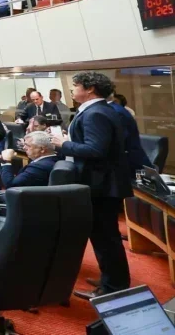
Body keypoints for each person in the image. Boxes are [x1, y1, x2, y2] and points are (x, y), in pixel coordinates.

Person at [51, 72, 131, 299]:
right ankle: (111, 280)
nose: (72, 90)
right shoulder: (98, 110)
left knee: (106, 238)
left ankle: (114, 288)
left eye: (75, 86)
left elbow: (95, 150)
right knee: (103, 237)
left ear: (90, 88)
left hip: (102, 185)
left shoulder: (96, 113)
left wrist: (64, 144)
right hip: (101, 182)